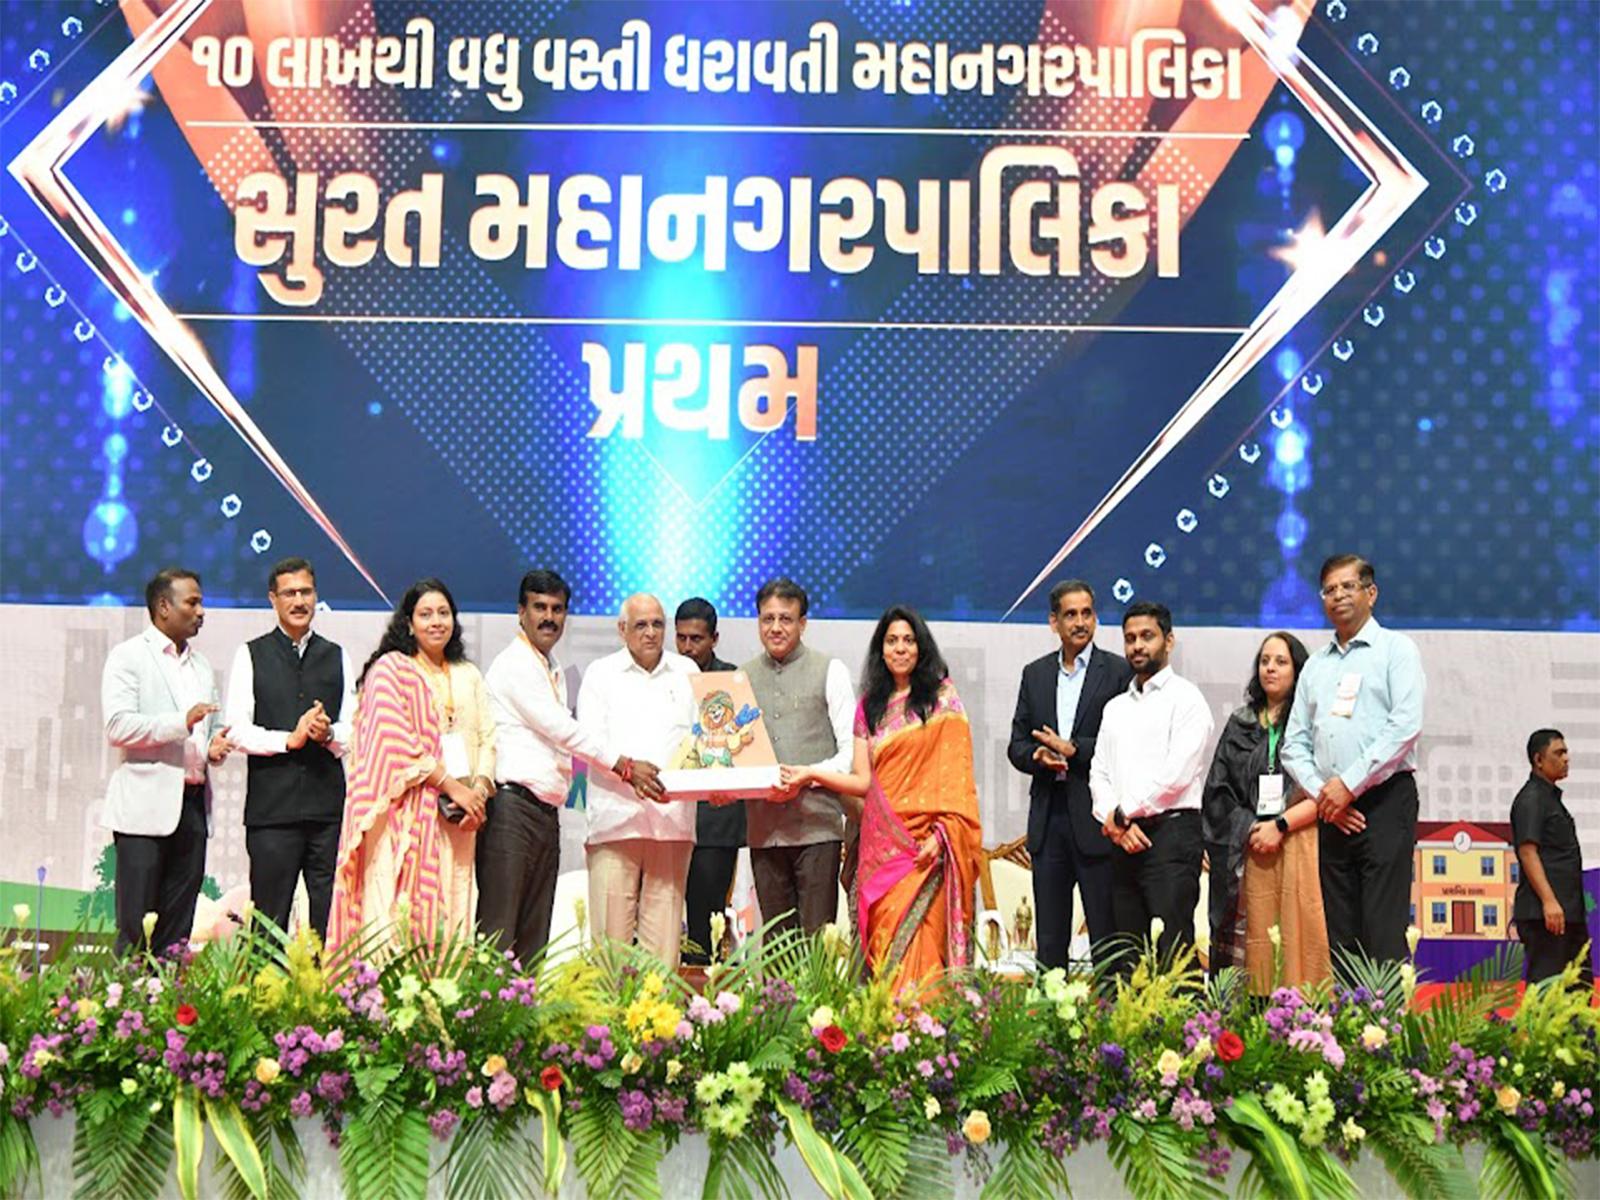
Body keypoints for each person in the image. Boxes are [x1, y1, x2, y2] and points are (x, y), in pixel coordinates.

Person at [784, 606, 983, 988]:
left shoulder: (942, 701)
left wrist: (942, 835)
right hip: (883, 848)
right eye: (892, 641)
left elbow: (956, 778)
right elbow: (862, 781)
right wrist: (811, 774)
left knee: (926, 957)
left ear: (921, 647)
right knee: (886, 951)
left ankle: (927, 1024)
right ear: (881, 649)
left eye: (908, 640)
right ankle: (890, 1025)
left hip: (927, 848)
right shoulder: (869, 707)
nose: (900, 648)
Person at [479, 570, 651, 966]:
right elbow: (561, 729)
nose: (549, 618)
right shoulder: (514, 664)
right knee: (499, 932)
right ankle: (485, 1007)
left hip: (543, 812)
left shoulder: (551, 667)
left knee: (534, 934)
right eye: (539, 607)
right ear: (520, 612)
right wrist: (623, 766)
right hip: (511, 811)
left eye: (557, 609)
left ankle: (524, 1006)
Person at [326, 579, 493, 957]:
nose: (436, 622)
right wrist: (453, 787)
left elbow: (488, 737)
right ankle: (385, 993)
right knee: (394, 913)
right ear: (409, 623)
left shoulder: (467, 673)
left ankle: (445, 989)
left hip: (459, 816)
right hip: (401, 814)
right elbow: (395, 741)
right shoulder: (391, 670)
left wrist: (476, 796)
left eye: (444, 613)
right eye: (426, 614)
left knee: (454, 904)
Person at [1282, 554, 1425, 967]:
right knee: (1340, 931)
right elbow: (1293, 743)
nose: (1338, 596)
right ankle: (1347, 1010)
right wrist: (1326, 794)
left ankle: (1384, 1012)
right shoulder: (1316, 665)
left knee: (1382, 926)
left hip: (1384, 801)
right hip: (1331, 809)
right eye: (1329, 589)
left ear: (1371, 593)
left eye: (1348, 586)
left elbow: (1405, 726)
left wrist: (1349, 784)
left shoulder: (1396, 650)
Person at [102, 568, 234, 955]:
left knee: (177, 928)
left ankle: (168, 991)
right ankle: (130, 994)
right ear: (163, 607)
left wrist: (214, 745)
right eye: (192, 602)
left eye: (201, 603)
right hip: (144, 809)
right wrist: (182, 722)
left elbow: (211, 728)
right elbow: (118, 726)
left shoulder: (201, 665)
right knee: (137, 924)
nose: (201, 611)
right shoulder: (128, 656)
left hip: (192, 806)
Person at [224, 557, 355, 942]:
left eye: (306, 592)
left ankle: (324, 982)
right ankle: (266, 984)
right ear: (273, 599)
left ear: (316, 595)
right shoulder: (251, 654)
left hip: (327, 812)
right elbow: (237, 731)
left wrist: (327, 733)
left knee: (327, 922)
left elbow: (354, 729)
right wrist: (289, 739)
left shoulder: (337, 655)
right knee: (269, 924)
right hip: (272, 813)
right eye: (289, 593)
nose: (299, 601)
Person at [1007, 579, 1133, 970]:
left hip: (1097, 819)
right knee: (1049, 944)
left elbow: (1125, 744)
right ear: (1054, 622)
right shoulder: (1035, 674)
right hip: (1049, 821)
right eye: (1070, 614)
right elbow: (1016, 745)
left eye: (1087, 613)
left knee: (1107, 941)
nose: (1080, 622)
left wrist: (1074, 749)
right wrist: (1038, 756)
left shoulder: (1118, 672)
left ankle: (1109, 1010)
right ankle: (1051, 1010)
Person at [1202, 632, 1331, 991]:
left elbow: (1327, 788)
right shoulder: (1240, 722)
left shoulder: (1311, 723)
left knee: (1296, 943)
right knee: (1251, 946)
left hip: (1299, 844)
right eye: (1264, 661)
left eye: (1281, 661)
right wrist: (1249, 828)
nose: (1270, 668)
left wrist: (1281, 825)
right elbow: (1218, 791)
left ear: (1298, 670)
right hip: (1249, 848)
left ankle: (1296, 1016)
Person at [1091, 601, 1214, 968]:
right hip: (1123, 841)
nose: (1137, 646)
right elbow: (1099, 772)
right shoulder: (1115, 707)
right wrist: (1114, 822)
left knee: (1174, 954)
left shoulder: (1187, 699)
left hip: (1171, 838)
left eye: (1147, 636)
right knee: (1127, 956)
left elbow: (1176, 775)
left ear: (1169, 641)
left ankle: (1187, 1013)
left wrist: (1122, 813)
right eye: (1130, 638)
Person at [577, 594, 696, 968]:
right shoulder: (601, 674)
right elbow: (589, 742)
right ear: (622, 629)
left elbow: (705, 743)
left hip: (672, 825)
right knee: (609, 953)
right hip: (616, 822)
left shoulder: (687, 672)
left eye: (657, 624)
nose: (650, 633)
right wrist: (628, 771)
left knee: (663, 955)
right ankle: (607, 1012)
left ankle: (656, 1011)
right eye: (641, 625)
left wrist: (718, 783)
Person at [744, 578, 857, 939]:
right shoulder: (741, 678)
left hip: (817, 829)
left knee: (817, 945)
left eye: (786, 619)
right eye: (768, 619)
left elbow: (851, 753)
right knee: (777, 947)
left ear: (803, 623)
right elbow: (732, 756)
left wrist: (808, 774)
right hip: (764, 832)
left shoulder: (830, 670)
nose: (775, 628)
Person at [674, 597, 741, 965]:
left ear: (714, 638)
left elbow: (742, 753)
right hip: (665, 819)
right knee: (658, 922)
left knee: (706, 929)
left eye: (696, 639)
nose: (687, 647)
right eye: (681, 638)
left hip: (714, 825)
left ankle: (706, 997)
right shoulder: (664, 676)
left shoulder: (731, 682)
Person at [1511, 729, 1591, 986]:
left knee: (1578, 991)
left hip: (1567, 913)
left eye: (1566, 752)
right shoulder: (1531, 799)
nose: (1566, 758)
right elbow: (1527, 851)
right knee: (1547, 992)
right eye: (1559, 753)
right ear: (1538, 760)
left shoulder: (1550, 799)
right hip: (1545, 915)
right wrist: (1549, 901)